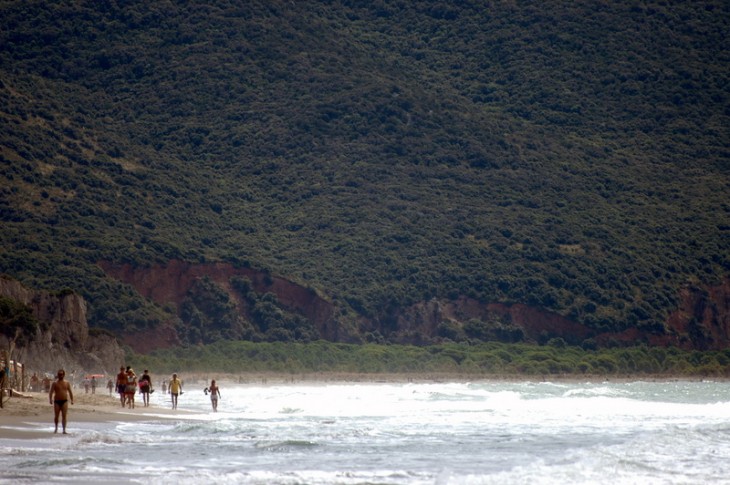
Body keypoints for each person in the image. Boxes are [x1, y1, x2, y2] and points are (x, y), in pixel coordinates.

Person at [48, 369, 74, 434]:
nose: (60, 375)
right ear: (58, 375)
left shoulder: (67, 383)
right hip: (57, 401)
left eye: (61, 374)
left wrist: (72, 400)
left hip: (64, 401)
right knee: (56, 416)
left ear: (64, 375)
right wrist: (50, 399)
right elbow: (51, 392)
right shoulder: (54, 383)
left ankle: (64, 430)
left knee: (64, 416)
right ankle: (56, 428)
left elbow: (70, 392)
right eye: (59, 374)